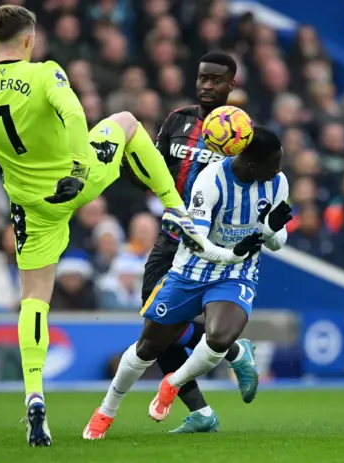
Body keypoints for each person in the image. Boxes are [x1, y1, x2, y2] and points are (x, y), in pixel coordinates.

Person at [0, 5, 206, 447]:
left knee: (34, 299)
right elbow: (74, 115)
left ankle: (34, 395)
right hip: (75, 181)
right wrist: (76, 165)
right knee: (127, 123)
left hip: (31, 206)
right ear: (30, 40)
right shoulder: (45, 74)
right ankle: (174, 205)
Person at [84, 126, 293, 440]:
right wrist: (232, 252)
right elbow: (196, 239)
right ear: (251, 165)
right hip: (192, 267)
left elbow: (276, 242)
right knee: (148, 348)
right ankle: (106, 410)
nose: (278, 170)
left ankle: (173, 384)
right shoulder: (211, 180)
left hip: (236, 274)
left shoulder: (278, 184)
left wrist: (270, 231)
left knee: (219, 337)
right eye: (274, 164)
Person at [126, 52, 263, 433]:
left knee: (161, 330)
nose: (207, 85)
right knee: (156, 327)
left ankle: (228, 354)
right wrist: (127, 164)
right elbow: (151, 173)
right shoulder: (177, 120)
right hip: (170, 237)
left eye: (216, 80)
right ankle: (206, 404)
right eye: (202, 78)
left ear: (231, 85)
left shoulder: (245, 133)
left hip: (213, 246)